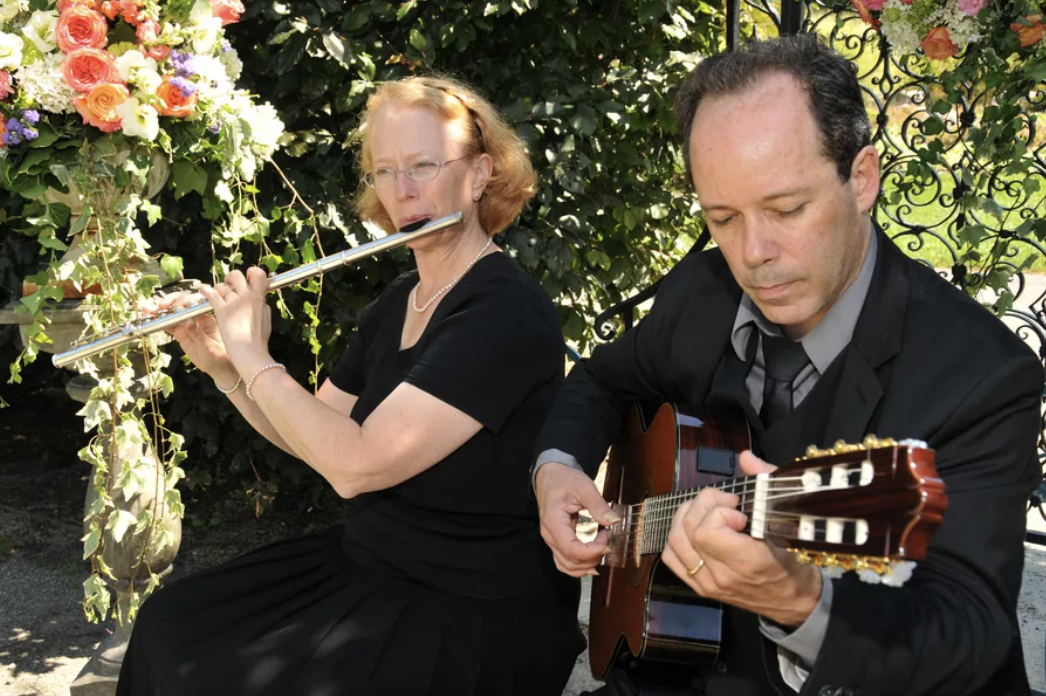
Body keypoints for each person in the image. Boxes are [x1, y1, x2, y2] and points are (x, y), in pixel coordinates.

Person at [533, 34, 1042, 696]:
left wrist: (802, 600)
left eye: (787, 209)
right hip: (672, 668)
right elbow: (601, 381)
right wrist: (557, 469)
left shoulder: (980, 375)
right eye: (723, 218)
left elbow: (966, 634)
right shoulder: (701, 295)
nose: (753, 253)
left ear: (862, 178)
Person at [117, 75, 585, 696]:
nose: (403, 190)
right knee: (169, 626)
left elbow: (354, 467)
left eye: (423, 165)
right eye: (385, 171)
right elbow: (315, 436)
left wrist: (254, 354)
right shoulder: (402, 298)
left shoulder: (503, 311)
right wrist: (225, 367)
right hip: (375, 560)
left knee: (224, 678)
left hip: (470, 604)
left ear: (478, 175)